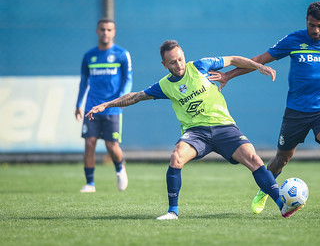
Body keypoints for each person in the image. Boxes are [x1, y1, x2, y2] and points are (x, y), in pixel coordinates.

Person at [85, 40, 302, 220]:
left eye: (180, 59)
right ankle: (173, 211)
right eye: (172, 62)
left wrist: (258, 66)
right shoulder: (164, 85)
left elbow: (233, 59)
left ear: (183, 56)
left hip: (224, 126)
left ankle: (282, 205)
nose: (178, 64)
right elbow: (136, 96)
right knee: (176, 157)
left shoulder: (200, 66)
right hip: (196, 133)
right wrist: (106, 104)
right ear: (164, 64)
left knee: (254, 160)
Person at [209, 1, 320, 215]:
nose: (316, 30)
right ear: (306, 22)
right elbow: (259, 60)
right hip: (296, 112)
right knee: (282, 158)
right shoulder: (294, 40)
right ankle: (264, 191)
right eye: (312, 25)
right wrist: (228, 75)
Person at [75, 18, 133, 193]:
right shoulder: (89, 56)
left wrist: (122, 98)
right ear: (97, 31)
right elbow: (84, 81)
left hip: (112, 107)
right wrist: (78, 103)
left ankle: (120, 168)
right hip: (92, 106)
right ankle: (90, 183)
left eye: (109, 30)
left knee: (111, 145)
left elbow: (127, 79)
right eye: (102, 29)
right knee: (90, 143)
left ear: (114, 32)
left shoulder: (122, 54)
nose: (105, 33)